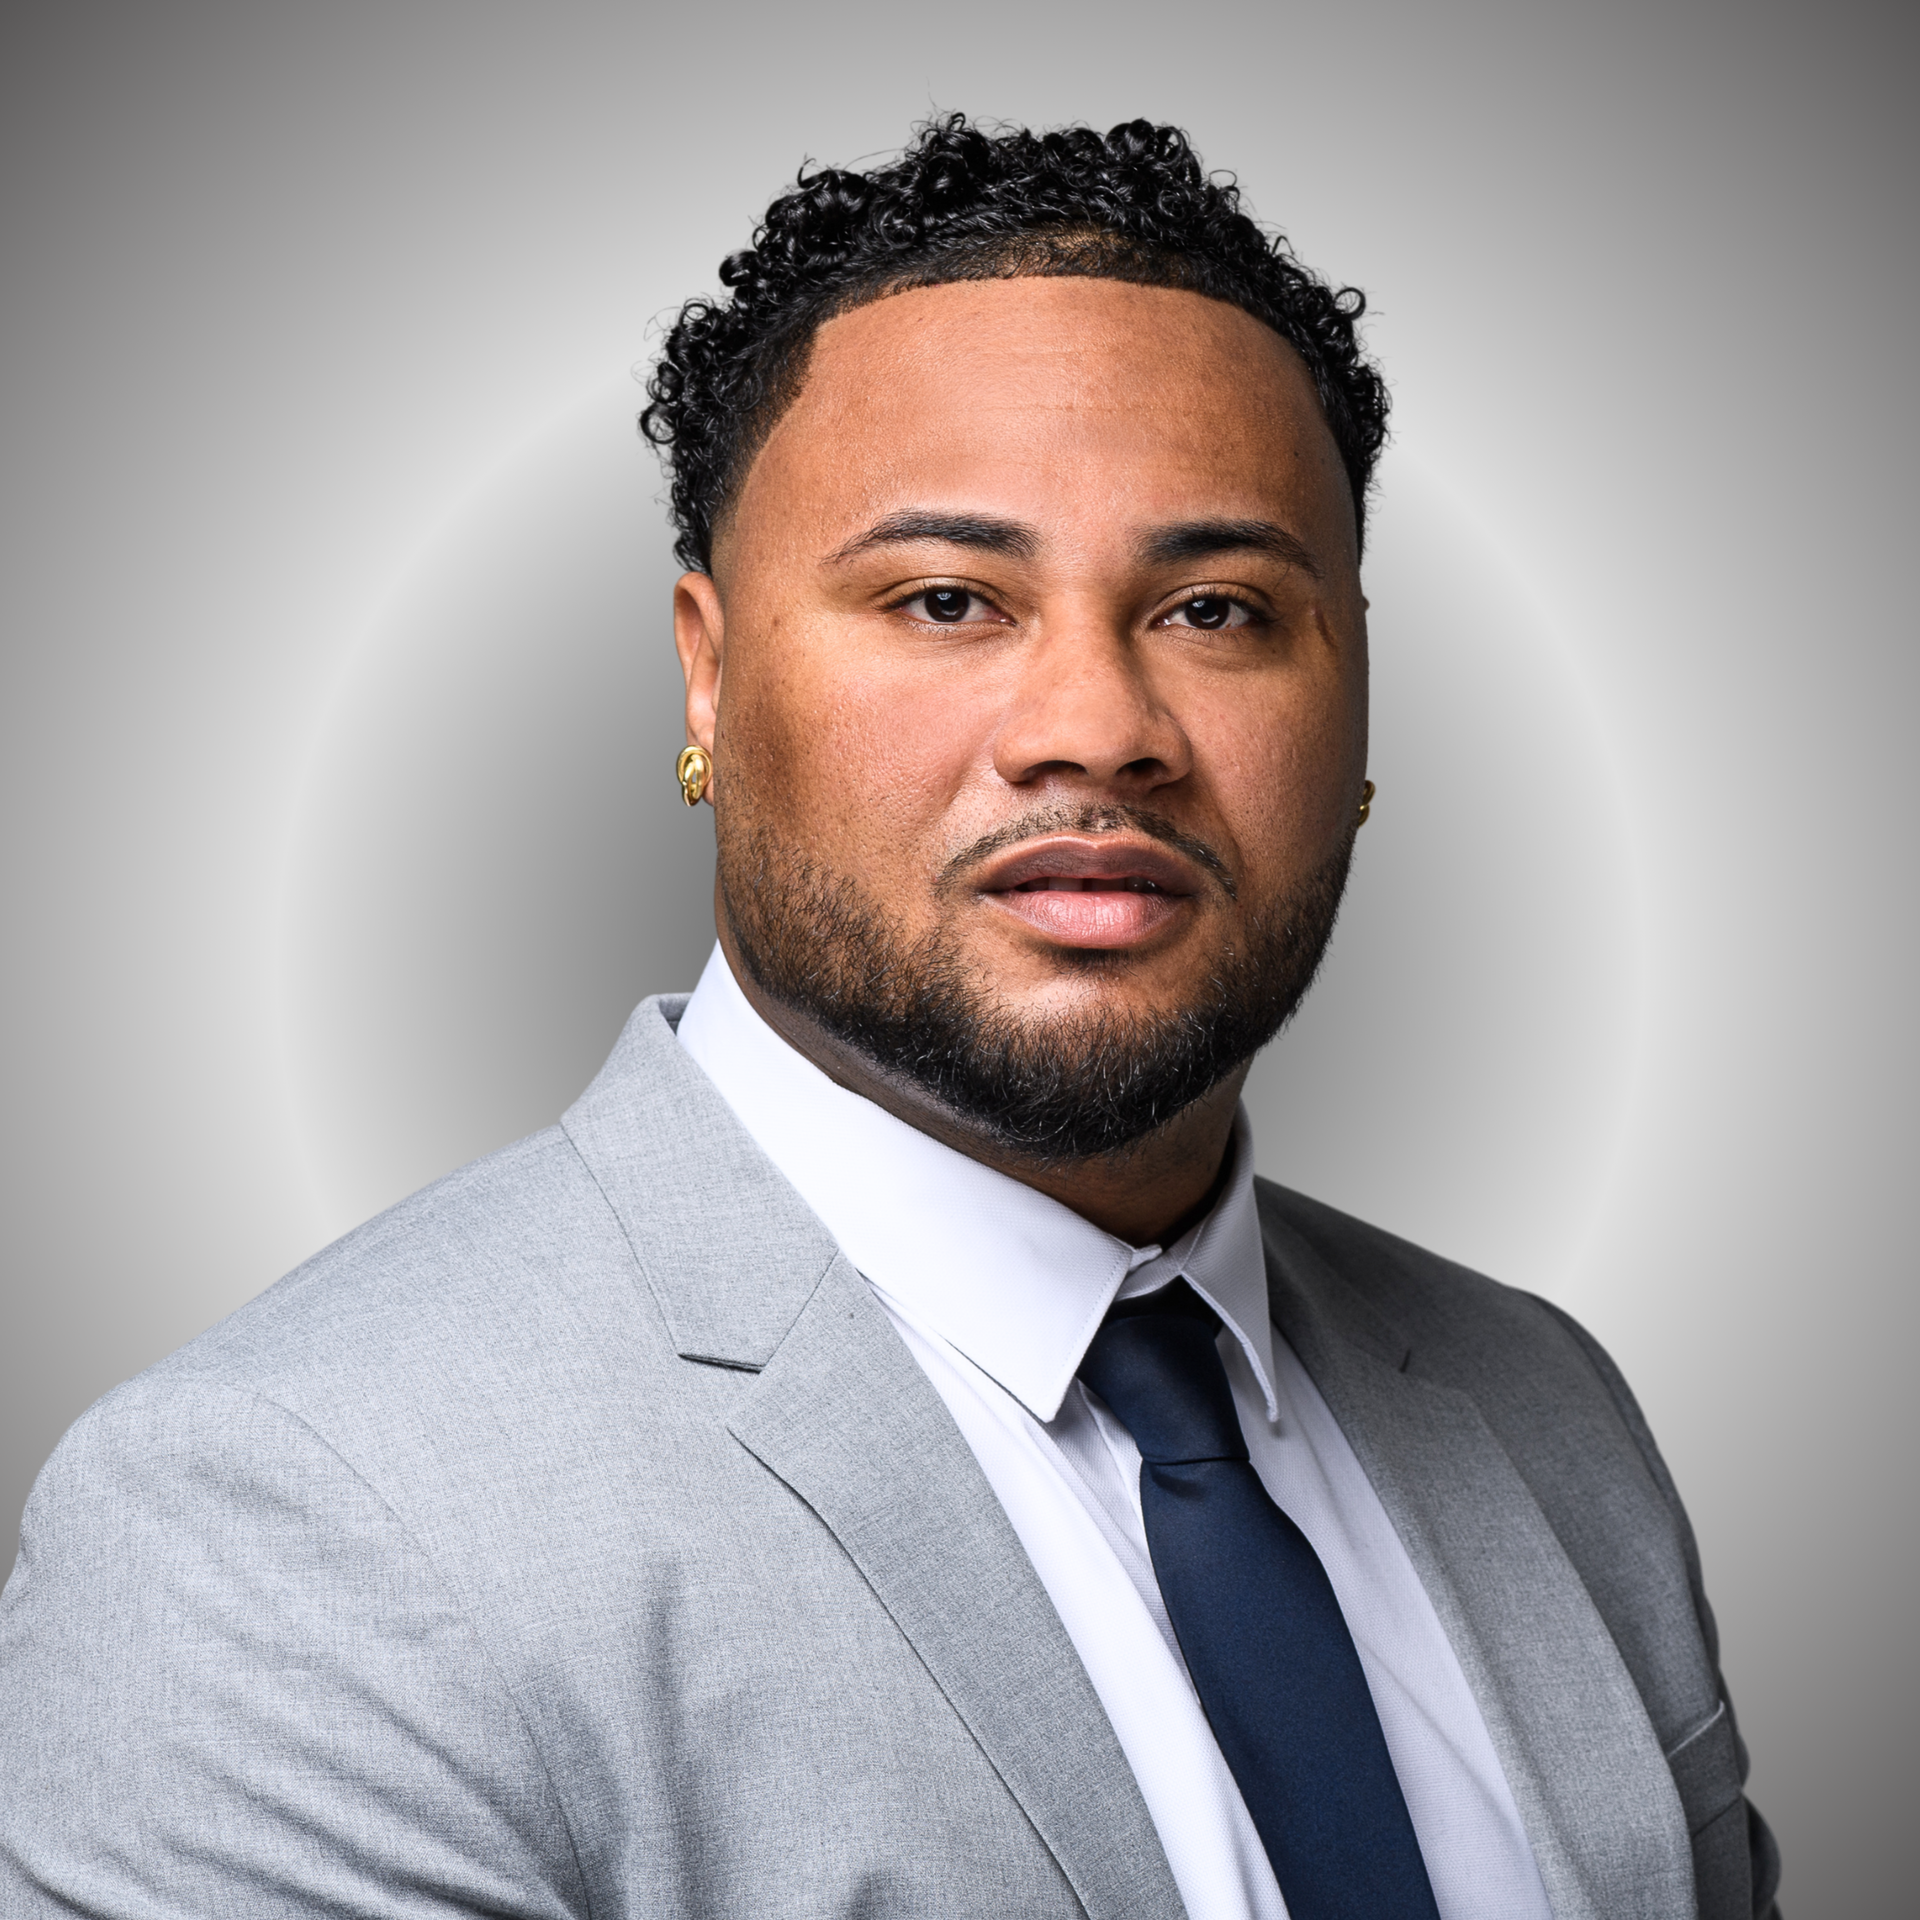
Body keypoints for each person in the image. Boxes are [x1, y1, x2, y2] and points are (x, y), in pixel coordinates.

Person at [0, 115, 1778, 1920]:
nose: (1098, 725)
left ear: (1360, 700)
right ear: (706, 671)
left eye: (1219, 607)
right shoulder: (286, 1525)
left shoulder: (1544, 1409)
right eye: (945, 599)